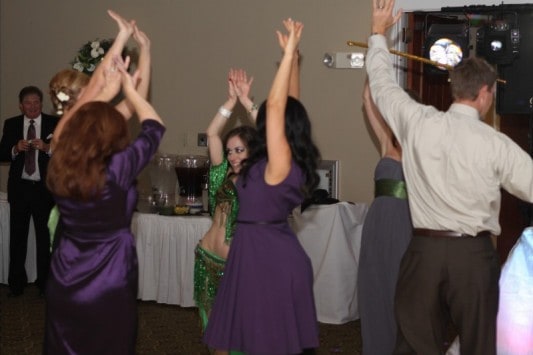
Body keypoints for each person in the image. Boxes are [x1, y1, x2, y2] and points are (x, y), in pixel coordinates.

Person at [366, 0, 533, 354]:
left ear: (455, 87)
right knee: (478, 344)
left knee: (413, 342)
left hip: (423, 251)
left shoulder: (417, 121)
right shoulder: (495, 143)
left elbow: (381, 86)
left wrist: (378, 34)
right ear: (486, 93)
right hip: (472, 256)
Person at [43, 10, 165, 354]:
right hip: (111, 271)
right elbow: (146, 116)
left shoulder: (59, 157)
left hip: (66, 268)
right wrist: (143, 52)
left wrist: (123, 42)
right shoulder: (120, 167)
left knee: (65, 341)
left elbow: (94, 93)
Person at [203, 18, 321, 354]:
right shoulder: (280, 158)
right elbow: (285, 107)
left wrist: (285, 59)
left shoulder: (281, 163)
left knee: (266, 345)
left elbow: (280, 108)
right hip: (255, 253)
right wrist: (294, 59)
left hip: (268, 260)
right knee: (238, 342)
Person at [46, 20, 152, 251]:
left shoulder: (99, 123)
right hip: (77, 235)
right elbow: (96, 87)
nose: (96, 87)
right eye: (89, 89)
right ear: (77, 97)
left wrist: (145, 51)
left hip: (106, 223)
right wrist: (121, 39)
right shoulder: (62, 133)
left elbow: (135, 103)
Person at [193, 68, 259, 333]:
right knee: (213, 332)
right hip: (206, 259)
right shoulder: (222, 174)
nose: (232, 156)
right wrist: (230, 103)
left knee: (238, 331)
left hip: (236, 268)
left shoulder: (260, 180)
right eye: (230, 150)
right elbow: (212, 135)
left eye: (239, 150)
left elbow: (275, 138)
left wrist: (246, 101)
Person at [357, 79, 412, 355]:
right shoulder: (385, 142)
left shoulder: (420, 150)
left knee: (399, 291)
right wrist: (373, 81)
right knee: (374, 288)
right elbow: (368, 103)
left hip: (405, 226)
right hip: (376, 227)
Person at [0, 86, 59, 297]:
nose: (32, 106)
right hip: (20, 189)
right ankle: (16, 284)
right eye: (28, 102)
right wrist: (15, 149)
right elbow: (2, 154)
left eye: (36, 102)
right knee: (17, 238)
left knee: (45, 240)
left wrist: (47, 147)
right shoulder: (12, 124)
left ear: (41, 104)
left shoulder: (54, 123)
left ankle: (45, 284)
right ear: (20, 105)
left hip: (44, 190)